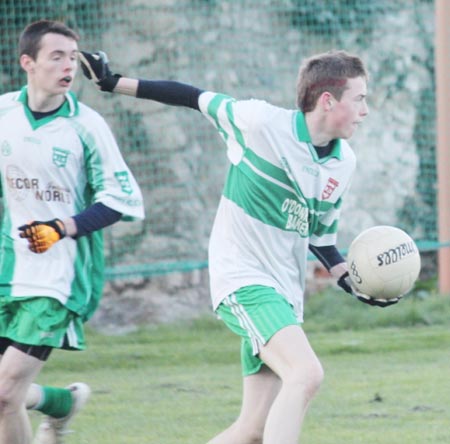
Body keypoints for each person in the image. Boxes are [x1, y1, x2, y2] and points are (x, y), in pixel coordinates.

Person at [80, 49, 399, 444]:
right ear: (328, 100)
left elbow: (322, 238)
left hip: (282, 295)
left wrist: (351, 280)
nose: (366, 110)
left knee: (253, 430)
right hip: (243, 280)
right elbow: (191, 96)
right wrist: (113, 82)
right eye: (360, 99)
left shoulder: (343, 162)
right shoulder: (260, 123)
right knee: (306, 373)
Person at [0, 21, 145, 444]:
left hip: (57, 279)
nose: (68, 66)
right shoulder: (4, 113)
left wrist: (61, 228)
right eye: (56, 57)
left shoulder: (86, 126)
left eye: (72, 57)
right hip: (8, 268)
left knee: (5, 393)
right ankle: (60, 404)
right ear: (28, 63)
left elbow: (122, 199)